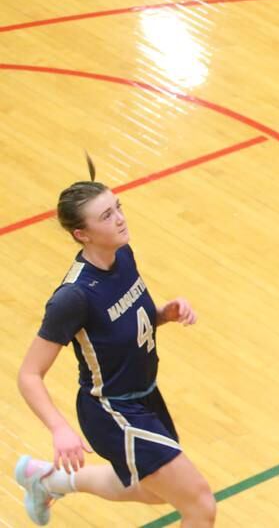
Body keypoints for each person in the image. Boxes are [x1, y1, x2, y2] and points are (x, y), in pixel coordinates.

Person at [15, 165, 216, 527]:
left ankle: (48, 481)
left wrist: (161, 314)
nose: (120, 219)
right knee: (200, 504)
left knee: (158, 491)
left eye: (118, 207)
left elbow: (118, 325)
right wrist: (60, 429)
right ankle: (49, 480)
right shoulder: (73, 297)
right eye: (106, 215)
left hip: (144, 395)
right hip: (110, 409)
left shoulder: (122, 255)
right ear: (82, 234)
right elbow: (29, 374)